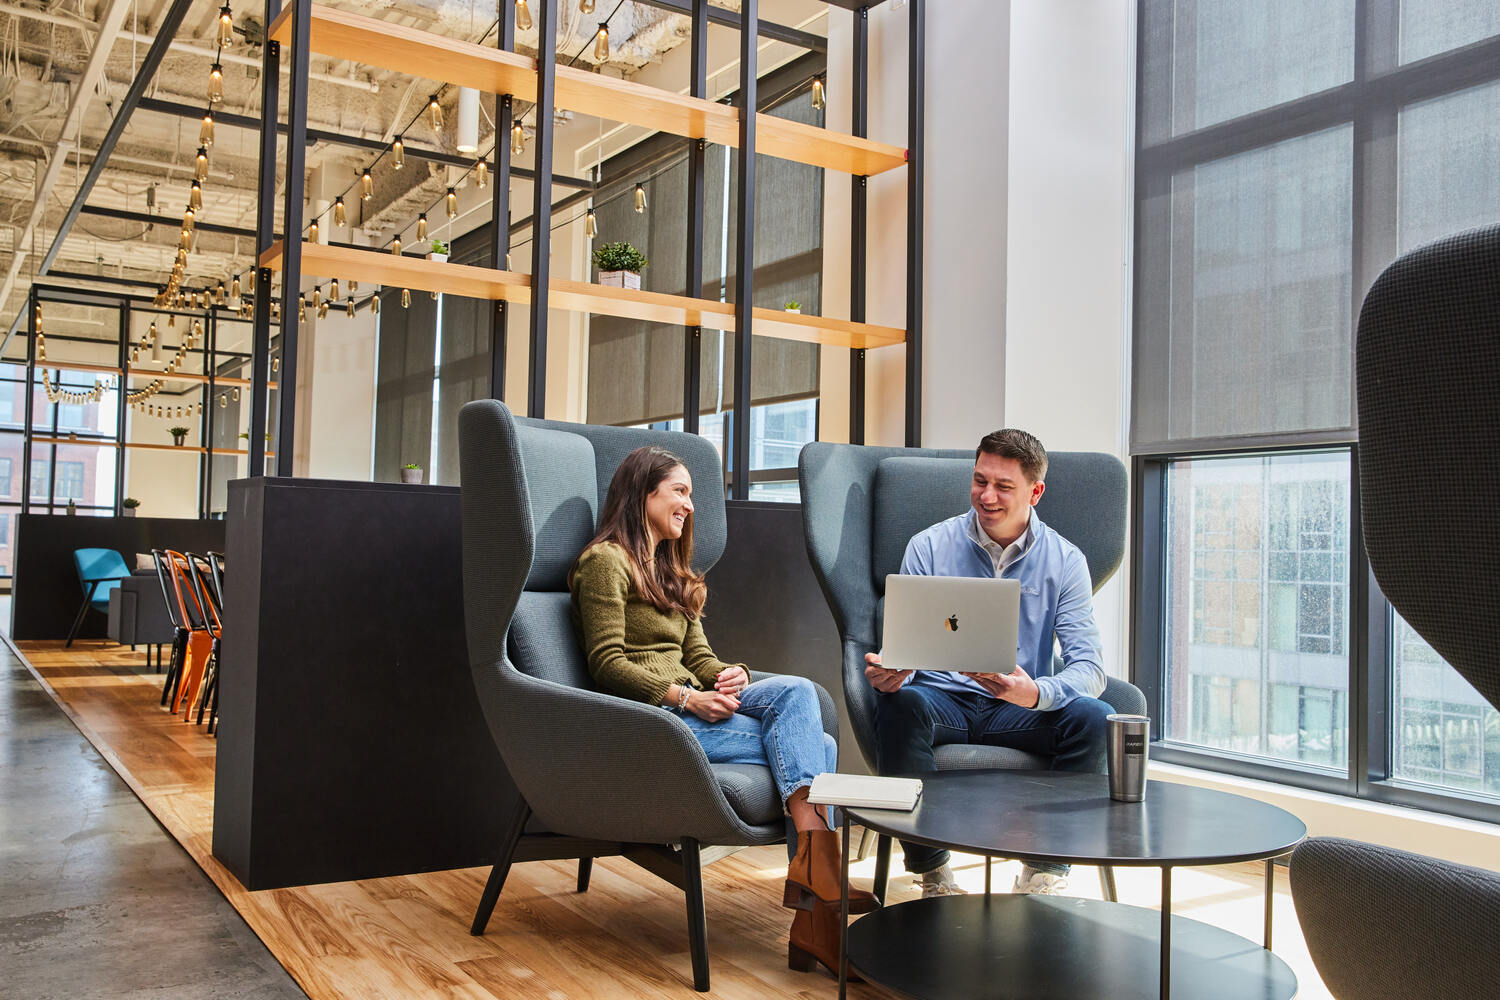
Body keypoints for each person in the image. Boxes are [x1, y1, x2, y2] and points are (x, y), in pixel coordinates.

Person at [569, 445, 876, 978]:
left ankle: (814, 883)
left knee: (797, 693)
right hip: (655, 720)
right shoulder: (605, 563)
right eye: (680, 492)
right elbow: (606, 665)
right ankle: (818, 916)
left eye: (691, 494)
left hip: (694, 701)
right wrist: (686, 697)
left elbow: (698, 657)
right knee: (820, 747)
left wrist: (724, 674)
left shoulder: (672, 570)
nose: (690, 505)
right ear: (644, 493)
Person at [864, 428, 1112, 897]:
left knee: (1096, 718)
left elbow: (1090, 668)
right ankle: (931, 871)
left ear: (1035, 492)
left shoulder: (1066, 561)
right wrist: (894, 672)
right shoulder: (929, 546)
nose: (987, 495)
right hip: (941, 702)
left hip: (1019, 709)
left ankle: (1044, 872)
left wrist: (1036, 693)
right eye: (980, 481)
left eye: (1003, 486)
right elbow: (906, 646)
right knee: (899, 704)